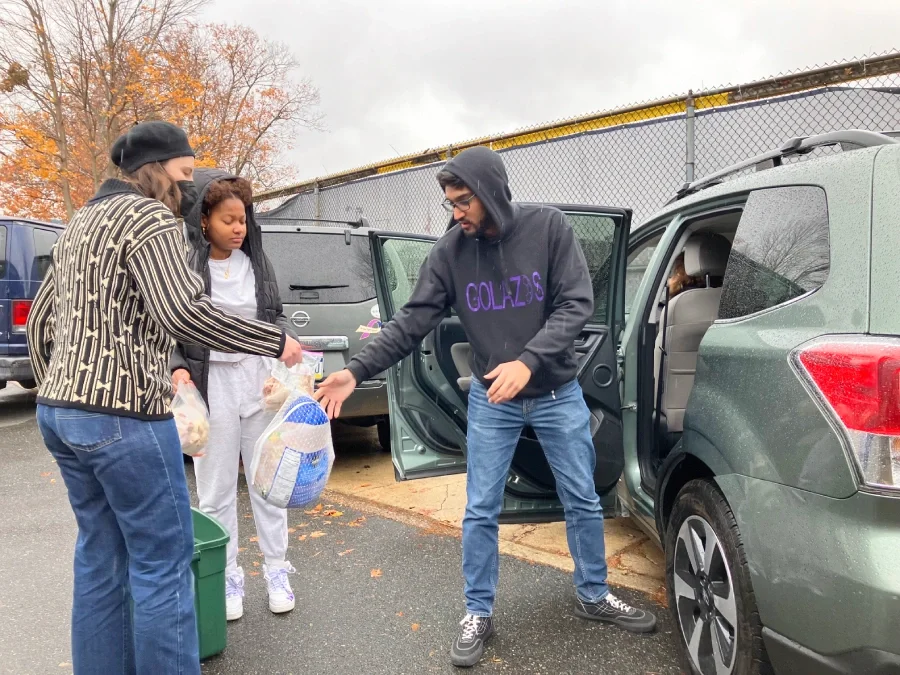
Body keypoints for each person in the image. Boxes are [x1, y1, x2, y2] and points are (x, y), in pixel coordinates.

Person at [314, 146, 657, 668]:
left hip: (556, 393)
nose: (456, 213)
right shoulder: (451, 253)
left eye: (463, 201)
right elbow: (411, 322)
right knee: (480, 508)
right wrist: (356, 370)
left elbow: (576, 304)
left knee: (583, 497)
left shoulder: (548, 229)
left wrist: (528, 360)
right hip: (492, 402)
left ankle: (593, 595)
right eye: (451, 203)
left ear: (492, 192)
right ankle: (478, 611)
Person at [26, 121, 304, 675]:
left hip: (61, 414)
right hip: (124, 416)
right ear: (156, 172)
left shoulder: (80, 222)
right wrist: (276, 340)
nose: (185, 191)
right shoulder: (148, 216)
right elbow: (184, 313)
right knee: (163, 565)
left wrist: (59, 391)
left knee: (100, 561)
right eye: (182, 176)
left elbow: (39, 320)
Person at [170, 170, 297, 622]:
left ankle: (278, 570)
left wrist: (280, 365)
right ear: (203, 222)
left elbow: (275, 318)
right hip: (212, 387)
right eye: (227, 220)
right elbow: (170, 325)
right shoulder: (185, 265)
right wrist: (177, 367)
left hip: (257, 382)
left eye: (242, 219)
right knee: (216, 489)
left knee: (268, 482)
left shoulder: (257, 262)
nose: (238, 228)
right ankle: (226, 577)